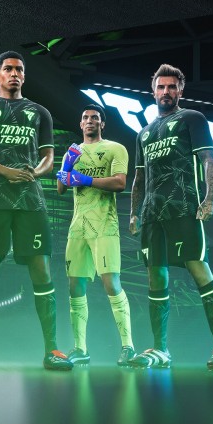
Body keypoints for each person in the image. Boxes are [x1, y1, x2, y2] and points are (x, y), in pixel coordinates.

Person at [0, 51, 72, 371]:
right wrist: (5, 171)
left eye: (19, 69)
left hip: (30, 203)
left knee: (42, 270)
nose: (14, 73)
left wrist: (35, 172)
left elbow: (49, 158)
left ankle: (52, 350)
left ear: (24, 76)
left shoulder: (40, 112)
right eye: (7, 69)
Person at [129, 64, 213, 372]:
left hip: (184, 208)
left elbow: (208, 159)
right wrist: (134, 213)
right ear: (153, 91)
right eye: (161, 87)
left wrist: (209, 199)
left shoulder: (192, 118)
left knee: (200, 271)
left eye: (171, 87)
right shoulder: (144, 133)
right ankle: (161, 349)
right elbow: (139, 177)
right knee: (156, 277)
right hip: (152, 215)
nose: (166, 91)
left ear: (180, 90)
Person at [56, 103, 135, 366]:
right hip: (78, 227)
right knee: (74, 285)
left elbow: (120, 183)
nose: (90, 121)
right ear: (80, 124)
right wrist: (67, 166)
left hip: (104, 226)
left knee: (111, 282)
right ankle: (80, 348)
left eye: (95, 118)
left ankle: (128, 346)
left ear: (102, 123)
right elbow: (60, 188)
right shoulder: (73, 151)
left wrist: (86, 180)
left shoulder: (115, 148)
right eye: (85, 117)